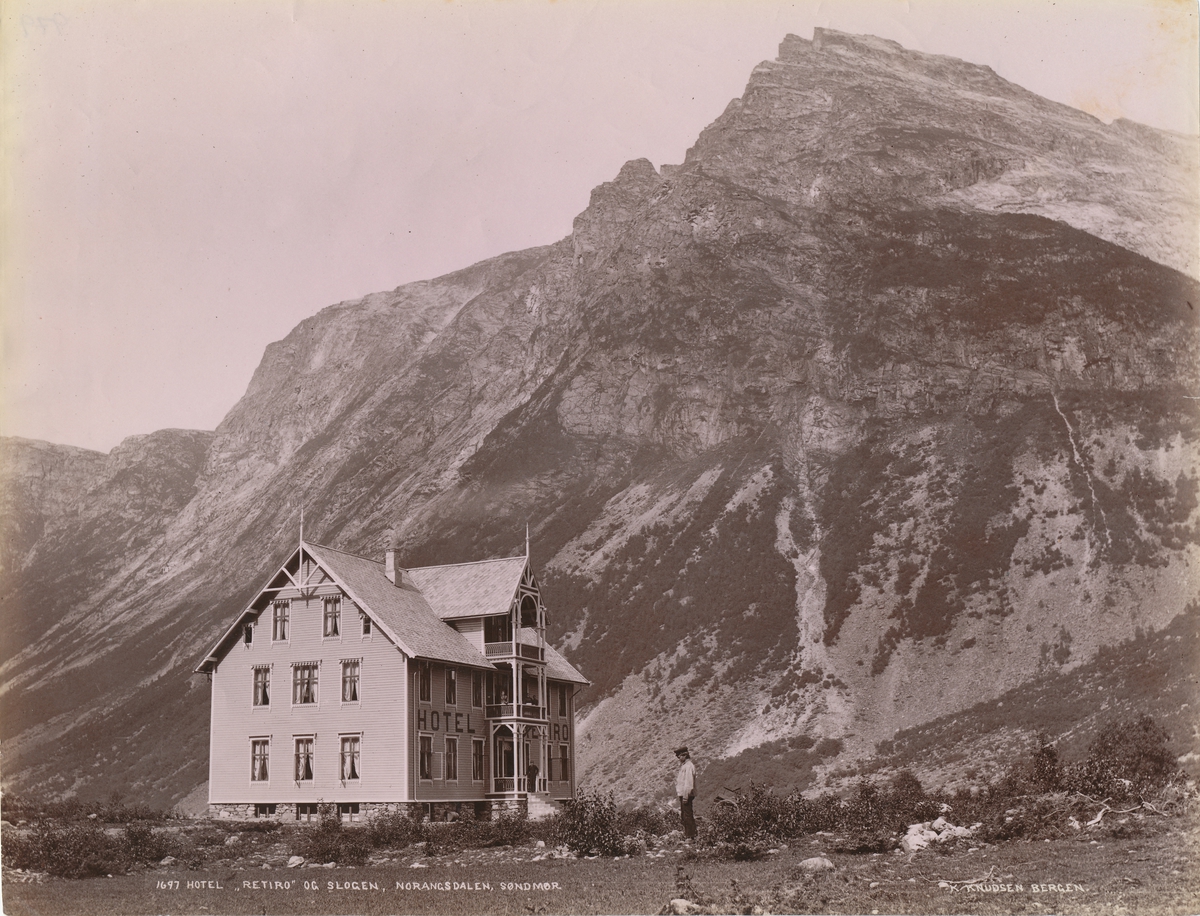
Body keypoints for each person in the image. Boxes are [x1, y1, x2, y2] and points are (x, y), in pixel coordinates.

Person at [674, 746, 697, 840]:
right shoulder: (685, 766)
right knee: (685, 814)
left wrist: (685, 796)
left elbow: (688, 783)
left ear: (684, 755)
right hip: (684, 794)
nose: (678, 759)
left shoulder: (688, 766)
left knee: (687, 815)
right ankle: (689, 834)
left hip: (686, 794)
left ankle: (691, 836)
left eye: (679, 757)